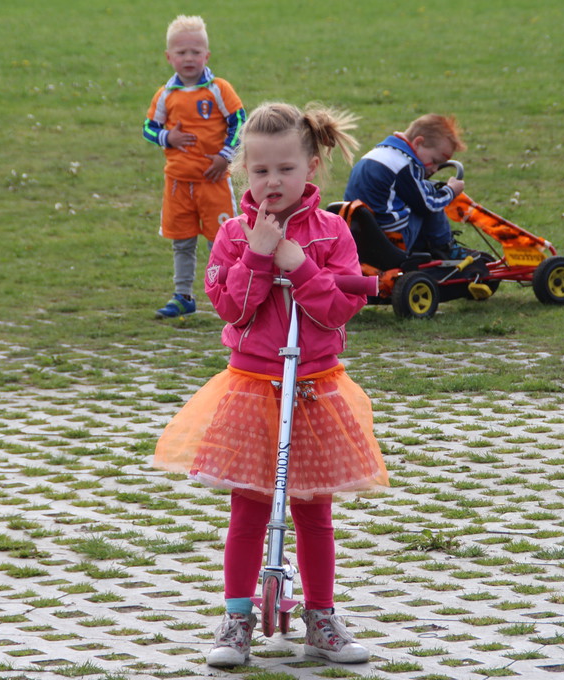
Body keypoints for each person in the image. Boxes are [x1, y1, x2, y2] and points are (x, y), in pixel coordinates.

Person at [152, 102, 389, 667]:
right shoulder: (234, 234)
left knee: (313, 508)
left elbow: (338, 309)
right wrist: (259, 256)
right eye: (260, 171)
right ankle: (237, 618)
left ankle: (322, 618)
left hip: (313, 385)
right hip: (253, 385)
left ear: (311, 167)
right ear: (244, 173)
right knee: (250, 506)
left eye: (286, 169)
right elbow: (231, 308)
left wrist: (300, 266)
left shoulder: (332, 231)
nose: (273, 181)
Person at [143, 15, 247, 319]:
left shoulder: (218, 89)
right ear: (169, 57)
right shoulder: (166, 94)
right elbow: (148, 128)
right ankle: (183, 296)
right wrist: (168, 137)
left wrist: (225, 156)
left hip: (213, 182)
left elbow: (240, 121)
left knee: (223, 242)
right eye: (181, 52)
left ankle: (232, 294)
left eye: (195, 52)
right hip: (178, 183)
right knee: (182, 242)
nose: (188, 58)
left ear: (207, 55)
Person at [344, 113, 472, 260]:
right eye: (434, 161)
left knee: (424, 190)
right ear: (418, 142)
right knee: (430, 198)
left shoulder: (376, 154)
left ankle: (430, 248)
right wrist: (450, 191)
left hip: (359, 236)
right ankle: (444, 248)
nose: (435, 169)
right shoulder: (404, 164)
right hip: (391, 240)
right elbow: (427, 206)